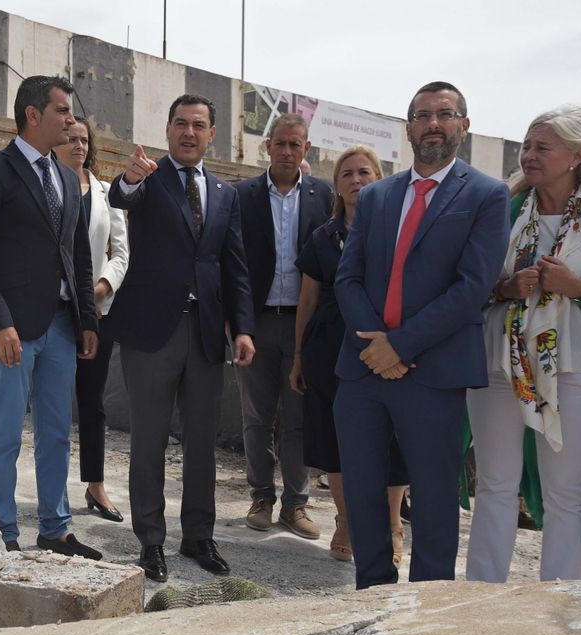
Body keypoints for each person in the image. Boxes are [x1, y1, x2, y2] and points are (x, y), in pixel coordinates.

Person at [333, 81, 510, 589]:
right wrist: (376, 347)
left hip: (432, 371)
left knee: (433, 497)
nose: (434, 123)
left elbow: (473, 286)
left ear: (464, 125)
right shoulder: (377, 197)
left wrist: (401, 345)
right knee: (362, 490)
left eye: (445, 114)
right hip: (363, 368)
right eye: (423, 115)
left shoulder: (486, 195)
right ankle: (373, 593)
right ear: (407, 128)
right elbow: (347, 276)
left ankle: (427, 604)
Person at [107, 94, 257, 582]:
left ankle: (198, 536)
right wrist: (130, 177)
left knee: (201, 444)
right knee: (149, 441)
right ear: (167, 129)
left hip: (207, 334)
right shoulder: (149, 179)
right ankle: (150, 541)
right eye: (180, 124)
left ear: (212, 133)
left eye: (198, 125)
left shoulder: (226, 194)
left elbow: (234, 266)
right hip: (152, 331)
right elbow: (121, 198)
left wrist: (244, 328)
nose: (188, 132)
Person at [466, 105, 581, 582]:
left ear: (575, 155)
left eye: (541, 147)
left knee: (566, 494)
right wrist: (506, 289)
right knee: (494, 484)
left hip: (576, 370)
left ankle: (564, 608)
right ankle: (482, 598)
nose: (529, 155)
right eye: (527, 146)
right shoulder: (502, 210)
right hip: (499, 367)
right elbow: (468, 285)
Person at [0, 74, 100, 557]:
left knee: (57, 433)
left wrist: (87, 321)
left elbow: (78, 257)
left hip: (60, 325)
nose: (72, 119)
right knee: (5, 433)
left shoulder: (65, 177)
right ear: (33, 115)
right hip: (10, 329)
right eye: (62, 110)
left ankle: (55, 529)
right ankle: (2, 531)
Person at [291, 145, 410, 565]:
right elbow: (307, 300)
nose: (356, 181)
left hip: (388, 350)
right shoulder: (323, 238)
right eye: (347, 175)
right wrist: (299, 356)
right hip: (329, 350)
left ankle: (393, 524)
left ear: (381, 180)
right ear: (336, 187)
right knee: (332, 436)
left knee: (391, 439)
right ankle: (346, 520)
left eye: (365, 173)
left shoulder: (400, 234)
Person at [236, 113, 334, 539]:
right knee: (256, 417)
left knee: (297, 419)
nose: (288, 152)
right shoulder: (243, 195)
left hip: (302, 325)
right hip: (257, 322)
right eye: (280, 144)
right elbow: (234, 264)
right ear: (268, 147)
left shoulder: (323, 196)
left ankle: (295, 505)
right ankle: (261, 496)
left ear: (306, 149)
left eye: (296, 145)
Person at [61, 118, 131, 522]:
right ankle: (49, 486)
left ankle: (95, 485)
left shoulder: (107, 194)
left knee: (92, 401)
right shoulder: (47, 187)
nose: (79, 145)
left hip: (97, 311)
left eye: (84, 140)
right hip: (53, 310)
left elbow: (121, 252)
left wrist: (101, 289)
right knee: (50, 402)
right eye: (70, 138)